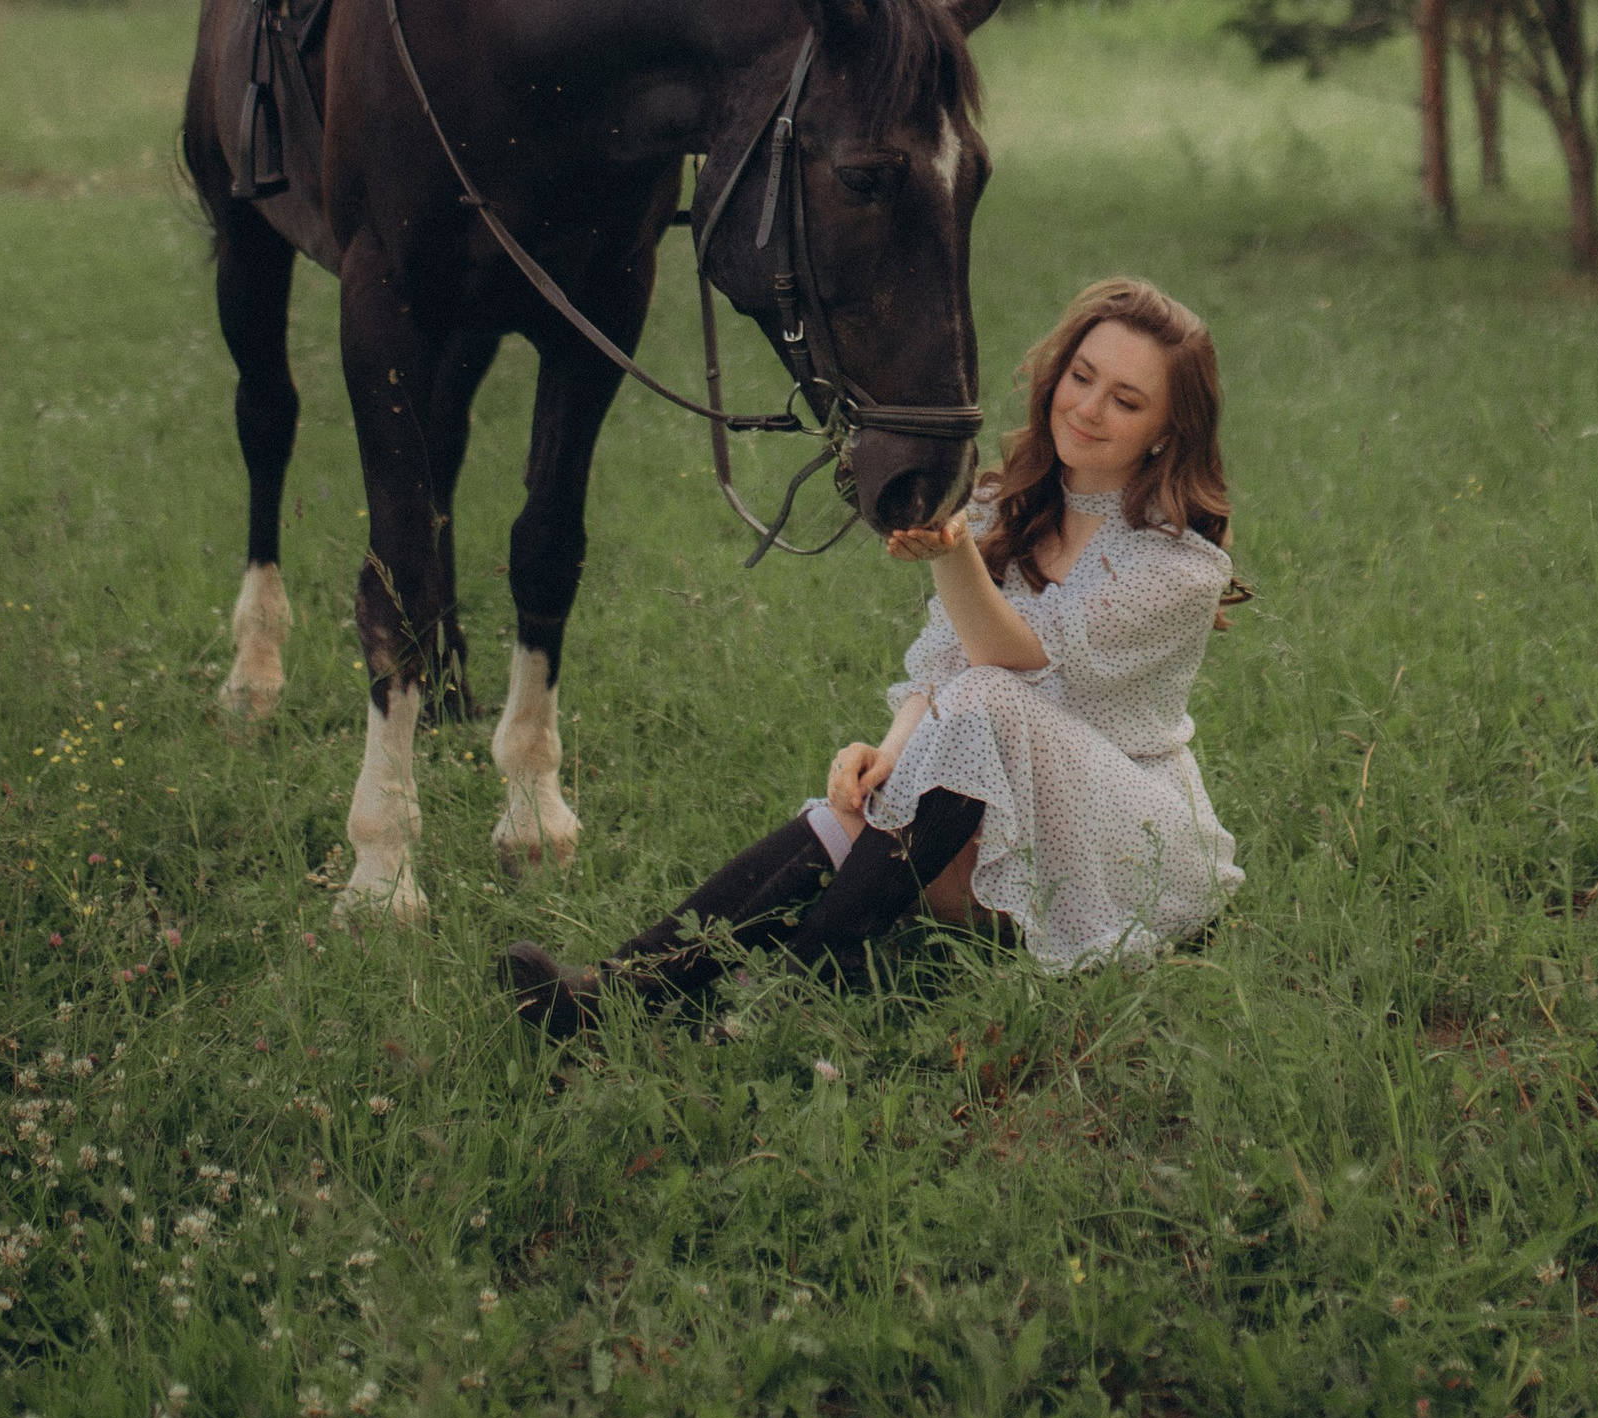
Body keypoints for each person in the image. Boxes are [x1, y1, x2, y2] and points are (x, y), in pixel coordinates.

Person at [500, 275, 1244, 1035]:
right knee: (858, 810)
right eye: (1081, 378)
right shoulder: (1000, 507)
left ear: (1164, 429)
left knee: (987, 701)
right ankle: (619, 991)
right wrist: (888, 756)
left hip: (1125, 852)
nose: (1087, 409)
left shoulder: (1174, 567)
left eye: (1125, 400)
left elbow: (1009, 661)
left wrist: (949, 551)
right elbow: (945, 667)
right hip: (995, 818)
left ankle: (783, 999)